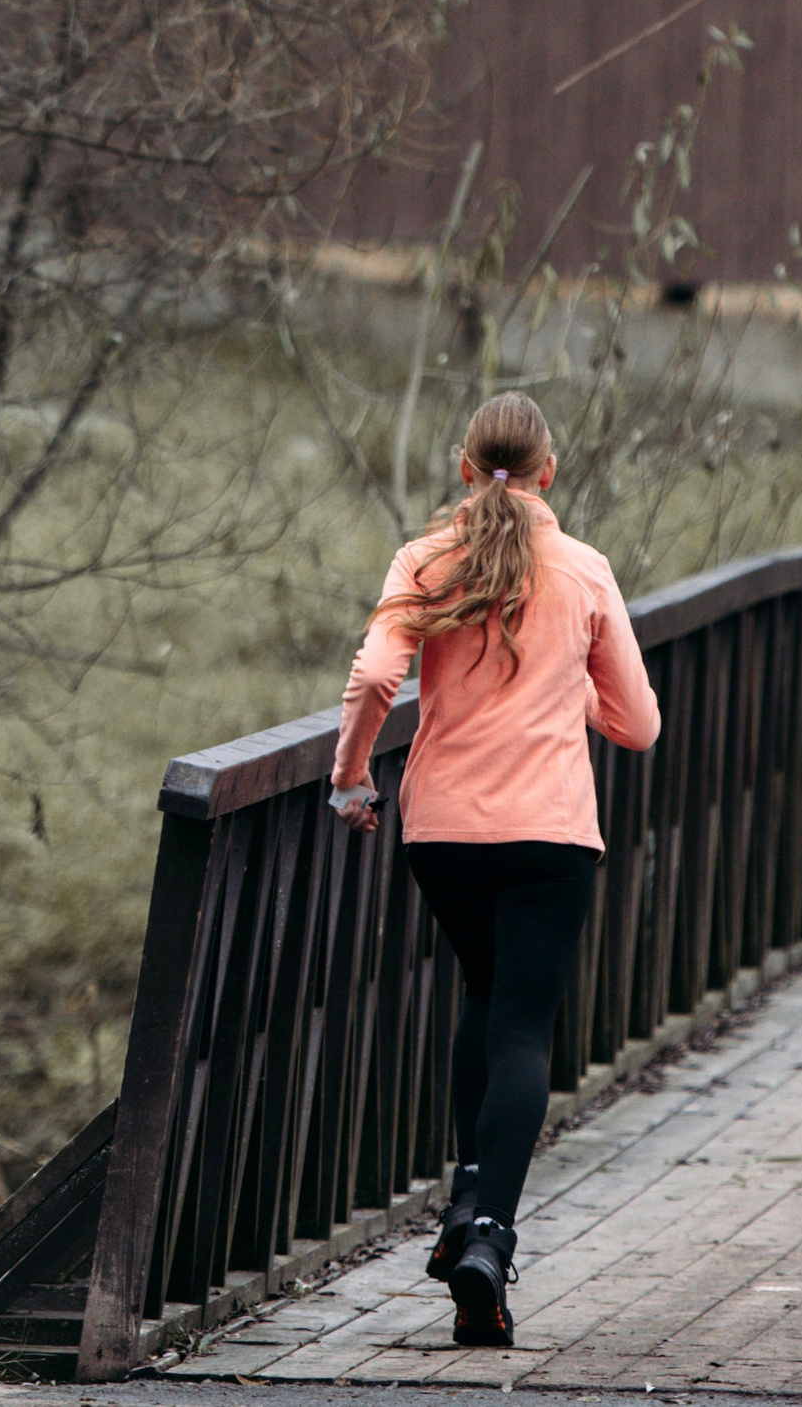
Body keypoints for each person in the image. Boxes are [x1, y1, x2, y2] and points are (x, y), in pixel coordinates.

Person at [330, 391, 660, 1348]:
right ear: (548, 473)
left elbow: (373, 678)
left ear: (464, 469)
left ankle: (468, 1189)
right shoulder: (585, 569)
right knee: (522, 1023)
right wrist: (566, 699)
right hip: (550, 831)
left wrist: (350, 779)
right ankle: (488, 1237)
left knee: (483, 993)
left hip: (443, 832)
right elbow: (636, 724)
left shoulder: (425, 560)